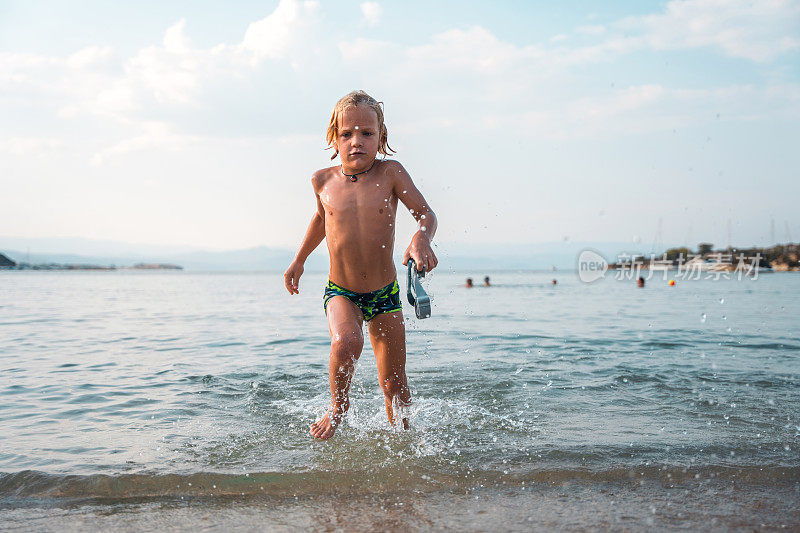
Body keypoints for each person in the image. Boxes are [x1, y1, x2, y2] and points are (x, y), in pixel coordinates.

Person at [283, 90, 438, 440]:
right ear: (333, 139)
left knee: (395, 388)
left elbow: (425, 214)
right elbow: (322, 220)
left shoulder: (391, 173)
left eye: (367, 133)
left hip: (385, 294)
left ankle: (403, 444)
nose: (357, 141)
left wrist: (421, 238)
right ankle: (337, 409)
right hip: (342, 290)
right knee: (346, 341)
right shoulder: (322, 181)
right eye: (347, 134)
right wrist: (299, 260)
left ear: (381, 138)